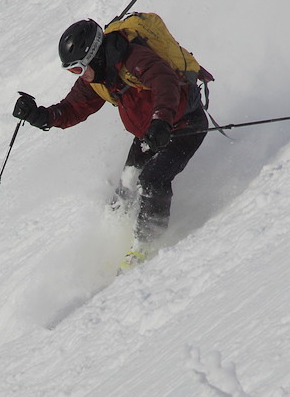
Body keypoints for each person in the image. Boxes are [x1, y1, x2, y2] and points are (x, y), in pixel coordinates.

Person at [12, 18, 208, 270]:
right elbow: (73, 108)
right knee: (125, 188)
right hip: (149, 134)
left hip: (184, 126)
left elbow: (165, 82)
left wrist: (161, 121)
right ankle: (107, 245)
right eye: (73, 72)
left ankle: (146, 247)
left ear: (93, 57)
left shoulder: (134, 59)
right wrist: (40, 116)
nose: (79, 76)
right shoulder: (99, 78)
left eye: (78, 69)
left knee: (152, 180)